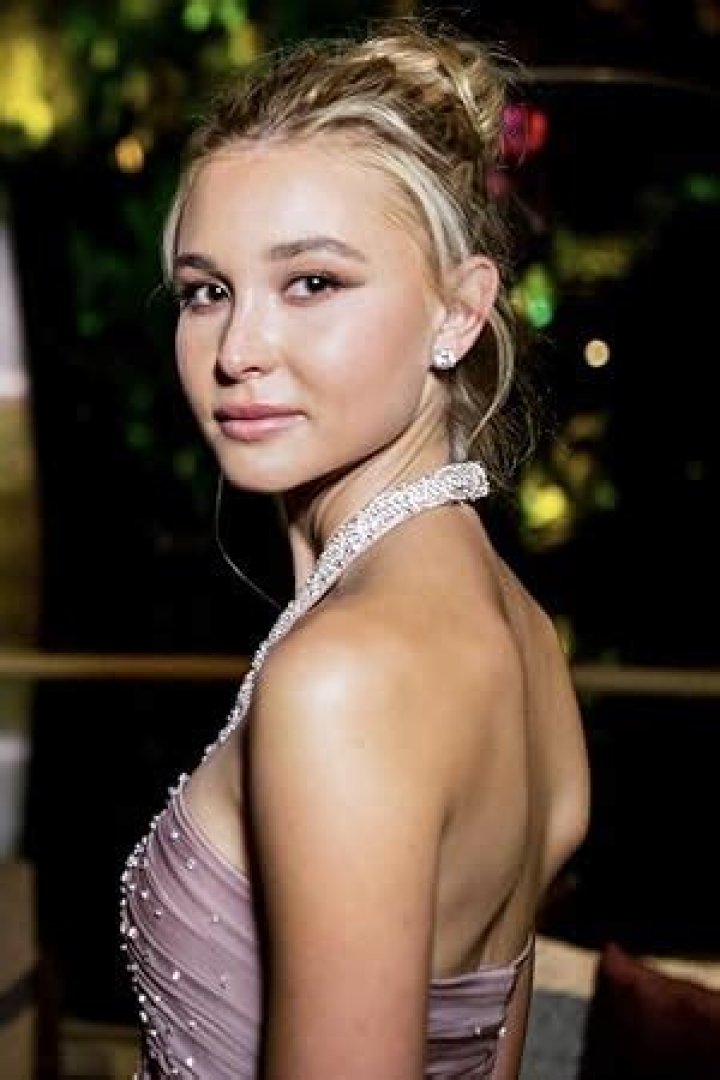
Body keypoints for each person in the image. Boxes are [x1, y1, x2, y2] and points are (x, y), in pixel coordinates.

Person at [120, 19, 590, 1080]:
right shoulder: (523, 637)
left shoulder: (346, 678)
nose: (238, 350)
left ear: (458, 313)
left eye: (313, 283)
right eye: (206, 291)